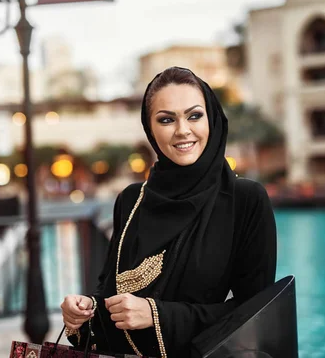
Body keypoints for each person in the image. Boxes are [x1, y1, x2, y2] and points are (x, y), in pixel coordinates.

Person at [61, 67, 277, 357]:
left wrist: (157, 315)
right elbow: (109, 291)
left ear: (211, 118)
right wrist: (85, 309)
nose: (183, 130)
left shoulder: (245, 200)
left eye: (194, 115)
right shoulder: (131, 200)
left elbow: (256, 313)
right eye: (166, 119)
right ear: (150, 129)